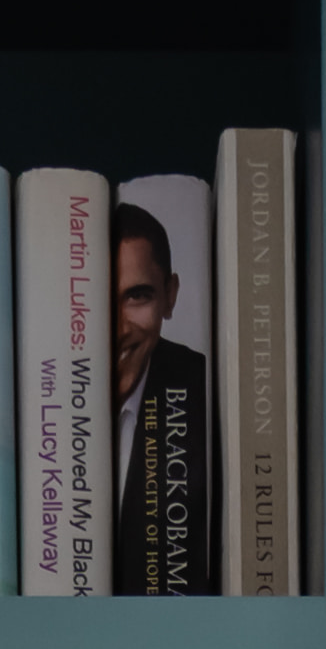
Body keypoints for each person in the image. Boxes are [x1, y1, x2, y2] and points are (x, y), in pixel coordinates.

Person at [110, 196, 211, 595]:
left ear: (169, 295)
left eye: (137, 296)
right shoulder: (33, 397)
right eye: (97, 300)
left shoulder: (209, 393)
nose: (117, 328)